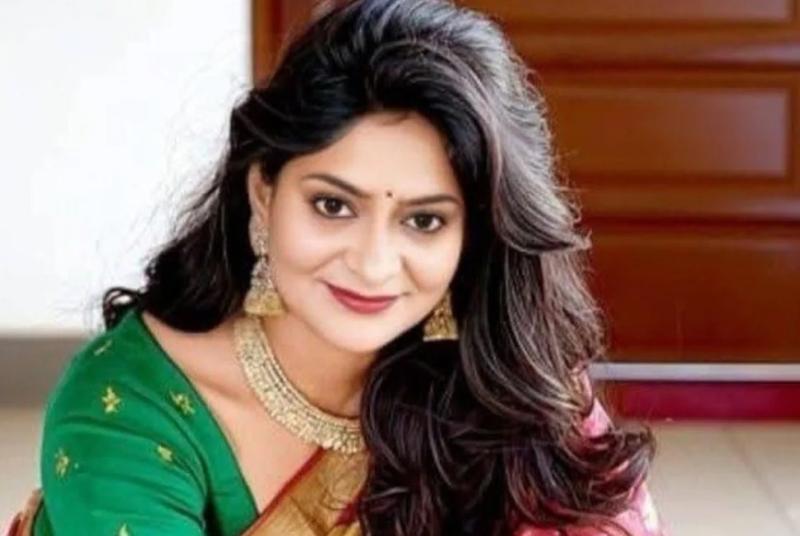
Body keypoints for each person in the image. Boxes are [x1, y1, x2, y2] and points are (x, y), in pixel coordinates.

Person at [7, 0, 666, 534]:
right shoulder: (133, 408)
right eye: (332, 205)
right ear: (263, 193)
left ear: (475, 237)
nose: (373, 264)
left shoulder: (509, 377)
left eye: (425, 221)